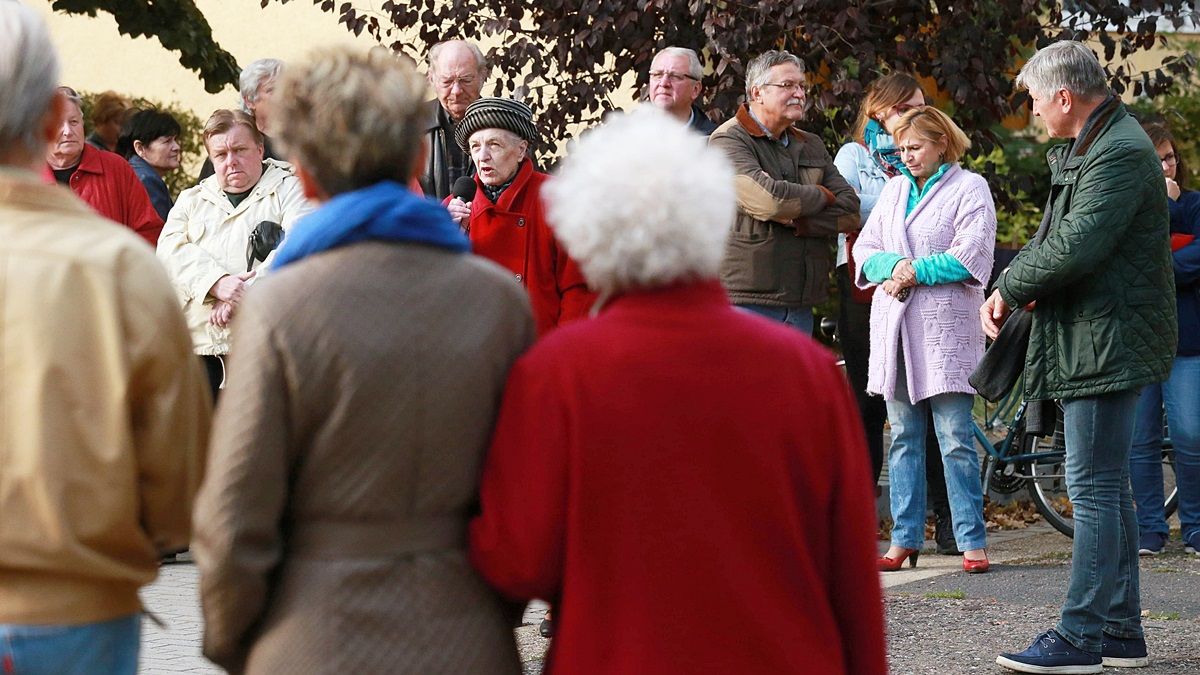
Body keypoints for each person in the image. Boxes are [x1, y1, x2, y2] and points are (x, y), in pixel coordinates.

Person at [469, 107, 886, 675]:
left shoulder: (561, 374)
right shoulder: (805, 372)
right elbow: (850, 577)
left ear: (587, 232)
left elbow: (519, 561)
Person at [193, 45, 530, 675]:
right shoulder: (496, 304)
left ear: (308, 173)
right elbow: (524, 499)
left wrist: (238, 642)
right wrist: (494, 612)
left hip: (313, 634)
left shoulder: (282, 306)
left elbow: (234, 513)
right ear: (417, 156)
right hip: (463, 633)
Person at [0, 4, 211, 673]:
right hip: (76, 605)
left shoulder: (122, 237)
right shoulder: (120, 268)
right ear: (45, 124)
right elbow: (180, 486)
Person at [985, 41, 1176, 674]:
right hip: (1101, 333)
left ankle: (1080, 636)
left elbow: (1073, 246)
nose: (1036, 113)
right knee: (1107, 485)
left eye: (1038, 100)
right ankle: (1120, 631)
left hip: (1106, 338)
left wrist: (1010, 286)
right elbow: (1068, 243)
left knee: (1091, 487)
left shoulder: (1117, 151)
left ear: (1064, 96)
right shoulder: (1102, 144)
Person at [852, 105, 995, 574]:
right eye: (901, 149)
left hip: (944, 329)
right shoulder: (893, 191)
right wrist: (894, 268)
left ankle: (972, 540)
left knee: (954, 436)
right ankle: (904, 538)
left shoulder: (970, 187)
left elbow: (972, 255)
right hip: (894, 327)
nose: (905, 157)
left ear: (941, 145)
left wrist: (913, 271)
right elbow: (865, 250)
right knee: (904, 439)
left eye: (915, 148)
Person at [157, 109, 312, 399]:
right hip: (200, 354)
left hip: (266, 349)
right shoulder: (192, 200)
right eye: (221, 154)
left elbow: (298, 246)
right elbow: (168, 252)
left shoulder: (292, 189)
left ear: (260, 148)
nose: (231, 161)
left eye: (240, 150)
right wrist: (218, 283)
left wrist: (243, 293)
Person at [709, 50, 859, 335]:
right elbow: (770, 202)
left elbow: (850, 212)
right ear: (757, 92)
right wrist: (823, 194)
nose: (799, 93)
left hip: (801, 299)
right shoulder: (728, 140)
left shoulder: (811, 144)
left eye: (801, 86)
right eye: (787, 85)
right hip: (746, 299)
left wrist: (799, 220)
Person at [446, 97, 595, 335]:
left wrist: (561, 350)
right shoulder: (453, 207)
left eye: (494, 144)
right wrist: (444, 238)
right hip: (475, 353)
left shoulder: (557, 199)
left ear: (521, 150)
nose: (482, 156)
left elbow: (579, 288)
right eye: (475, 146)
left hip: (540, 351)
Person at [1128, 121, 1199, 557]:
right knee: (1140, 439)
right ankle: (1150, 527)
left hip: (1188, 342)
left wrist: (1170, 211)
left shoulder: (1192, 204)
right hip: (1136, 340)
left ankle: (1194, 524)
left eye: (1169, 157)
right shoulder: (1127, 208)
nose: (1165, 165)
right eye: (1155, 159)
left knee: (1191, 435)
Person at [45, 86, 164, 245]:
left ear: (82, 124)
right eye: (58, 123)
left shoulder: (116, 168)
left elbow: (148, 231)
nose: (68, 131)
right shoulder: (24, 175)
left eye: (74, 122)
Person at [420, 40, 487, 199]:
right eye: (447, 81)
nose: (456, 91)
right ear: (432, 79)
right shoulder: (411, 127)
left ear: (482, 76)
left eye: (466, 79)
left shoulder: (505, 127)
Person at [198, 58, 283, 180]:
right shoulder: (228, 144)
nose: (282, 95)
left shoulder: (303, 139)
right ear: (249, 100)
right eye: (272, 90)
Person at [116, 108, 181, 221]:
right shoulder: (147, 180)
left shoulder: (131, 173)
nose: (176, 147)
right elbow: (159, 232)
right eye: (167, 141)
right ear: (140, 148)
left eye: (175, 140)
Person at [646, 46, 717, 134]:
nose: (664, 83)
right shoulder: (627, 132)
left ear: (695, 89)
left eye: (675, 76)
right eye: (657, 75)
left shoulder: (713, 142)